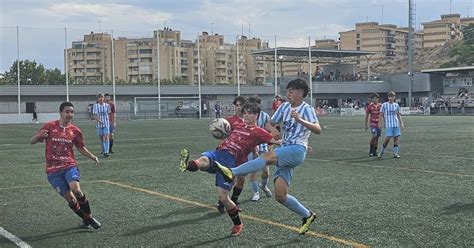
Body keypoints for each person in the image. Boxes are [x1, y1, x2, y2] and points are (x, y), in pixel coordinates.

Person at [215, 78, 321, 235]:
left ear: (300, 93)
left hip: (297, 149)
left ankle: (232, 171)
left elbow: (317, 129)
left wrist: (300, 120)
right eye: (288, 90)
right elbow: (270, 123)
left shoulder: (307, 109)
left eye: (291, 90)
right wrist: (273, 129)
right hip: (286, 148)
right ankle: (308, 215)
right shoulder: (284, 107)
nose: (288, 93)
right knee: (280, 195)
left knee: (267, 156)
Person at [178, 102, 280, 236]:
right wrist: (217, 126)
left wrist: (295, 145)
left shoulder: (259, 132)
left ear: (256, 115)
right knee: (202, 160)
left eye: (250, 113)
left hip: (231, 162)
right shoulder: (237, 125)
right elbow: (224, 125)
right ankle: (186, 165)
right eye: (245, 113)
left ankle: (238, 224)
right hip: (219, 152)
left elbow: (276, 140)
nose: (247, 115)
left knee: (224, 197)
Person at [30, 102, 101, 229]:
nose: (70, 114)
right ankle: (86, 219)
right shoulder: (49, 126)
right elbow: (32, 141)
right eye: (67, 111)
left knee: (76, 190)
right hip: (52, 171)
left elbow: (80, 147)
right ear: (61, 112)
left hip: (69, 165)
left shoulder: (75, 131)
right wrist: (38, 136)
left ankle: (89, 217)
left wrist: (91, 156)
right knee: (71, 200)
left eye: (72, 112)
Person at [216, 96, 247, 214]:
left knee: (241, 180)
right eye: (236, 105)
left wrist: (255, 150)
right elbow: (223, 136)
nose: (238, 107)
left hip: (243, 153)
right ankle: (223, 202)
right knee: (231, 178)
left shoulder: (248, 120)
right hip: (230, 153)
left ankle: (234, 201)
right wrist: (220, 148)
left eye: (241, 105)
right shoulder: (229, 120)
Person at [247, 95, 276, 202]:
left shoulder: (265, 116)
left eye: (257, 104)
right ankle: (255, 193)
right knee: (253, 171)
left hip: (263, 147)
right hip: (251, 148)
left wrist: (270, 146)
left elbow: (269, 132)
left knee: (266, 172)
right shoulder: (247, 117)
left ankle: (263, 186)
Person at [378, 91, 404, 158]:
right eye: (390, 96)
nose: (391, 98)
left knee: (396, 139)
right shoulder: (384, 105)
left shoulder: (396, 105)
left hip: (395, 124)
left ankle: (395, 153)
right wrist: (379, 122)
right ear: (388, 97)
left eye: (392, 96)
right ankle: (381, 152)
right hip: (389, 124)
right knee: (388, 138)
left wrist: (401, 123)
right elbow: (381, 114)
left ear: (394, 97)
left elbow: (398, 114)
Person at [93, 93, 111, 157]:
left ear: (104, 98)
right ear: (98, 98)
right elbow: (95, 116)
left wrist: (108, 122)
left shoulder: (107, 105)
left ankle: (106, 152)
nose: (101, 98)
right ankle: (103, 150)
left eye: (102, 97)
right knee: (101, 138)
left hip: (106, 124)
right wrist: (99, 121)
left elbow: (108, 114)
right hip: (99, 125)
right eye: (99, 97)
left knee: (106, 137)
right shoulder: (95, 106)